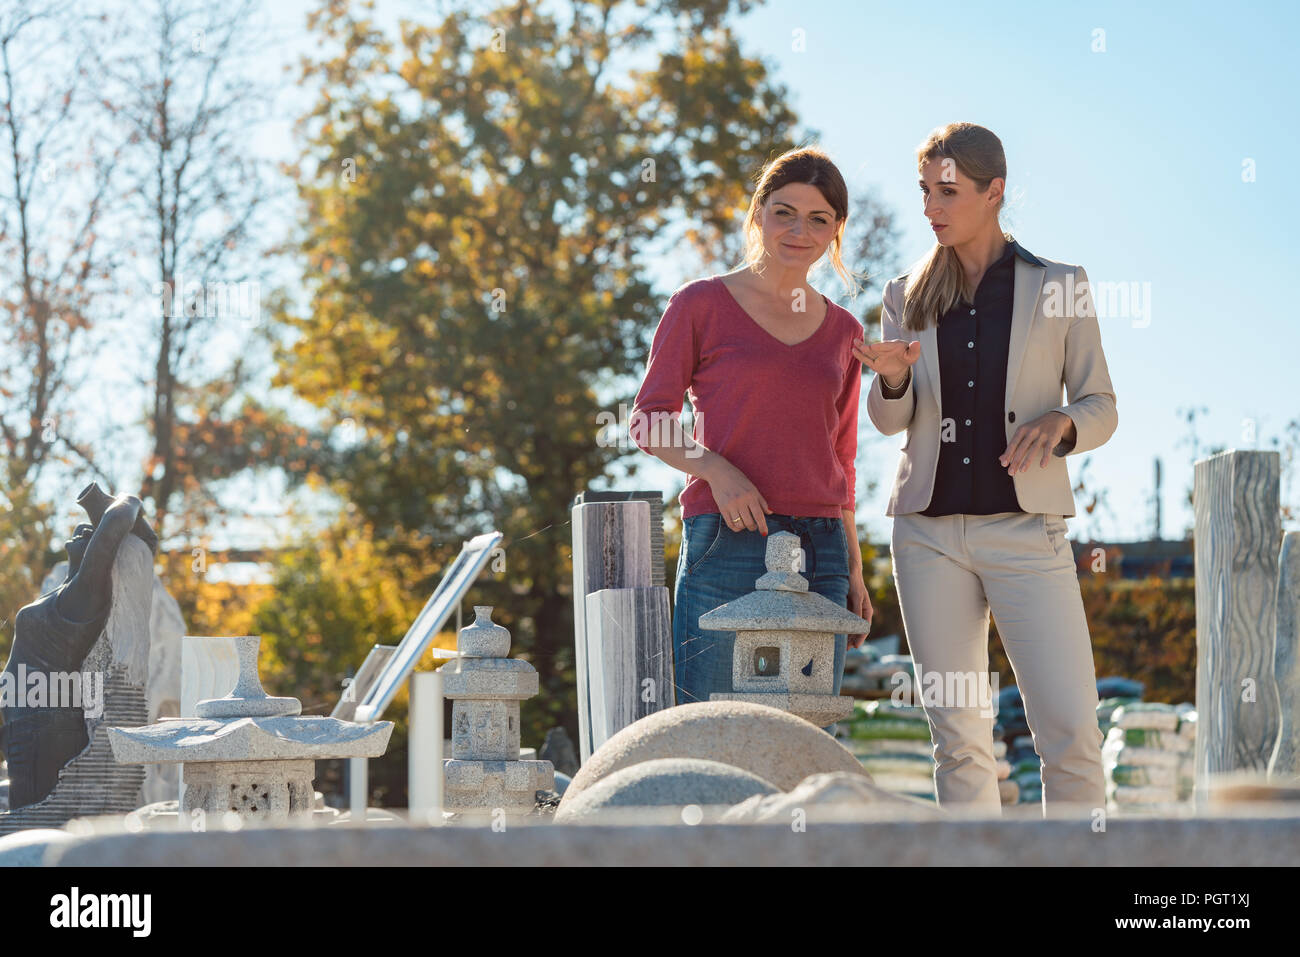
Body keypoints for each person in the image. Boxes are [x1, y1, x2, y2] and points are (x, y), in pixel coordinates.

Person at [854, 122, 1117, 813]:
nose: (931, 207)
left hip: (1028, 532)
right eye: (924, 191)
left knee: (1070, 732)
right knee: (959, 738)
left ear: (993, 192)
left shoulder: (1059, 285)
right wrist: (889, 382)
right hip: (927, 535)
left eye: (949, 191)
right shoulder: (904, 294)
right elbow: (889, 423)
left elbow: (1102, 404)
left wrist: (1062, 422)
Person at [630, 146, 871, 731]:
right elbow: (648, 420)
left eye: (819, 219)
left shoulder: (845, 331)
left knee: (805, 742)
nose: (799, 230)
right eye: (784, 211)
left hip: (822, 554)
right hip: (727, 540)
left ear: (836, 232)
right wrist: (716, 469)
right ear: (758, 213)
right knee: (711, 733)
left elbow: (842, 460)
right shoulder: (700, 304)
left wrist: (855, 571)